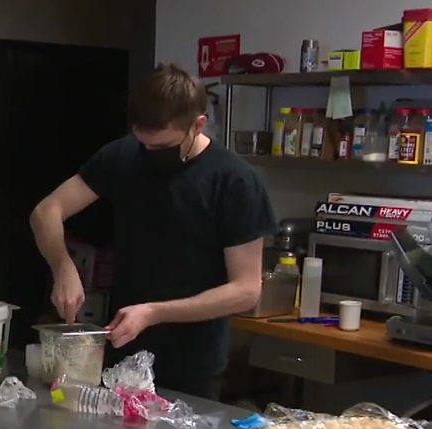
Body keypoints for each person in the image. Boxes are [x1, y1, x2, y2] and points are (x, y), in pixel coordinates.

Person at [30, 64, 275, 399]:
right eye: (143, 142)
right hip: (121, 354)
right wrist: (62, 266)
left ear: (198, 124)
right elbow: (47, 212)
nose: (150, 153)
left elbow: (246, 290)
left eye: (163, 147)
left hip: (191, 367)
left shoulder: (234, 181)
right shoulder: (124, 156)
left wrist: (155, 312)